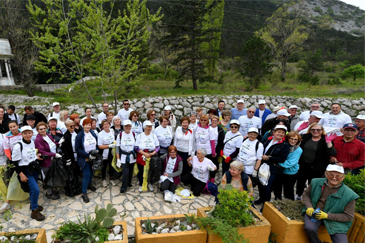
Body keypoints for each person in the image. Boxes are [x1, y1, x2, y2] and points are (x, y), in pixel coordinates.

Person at [302, 164, 359, 243]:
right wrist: (309, 207)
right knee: (309, 228)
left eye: (338, 176)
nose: (334, 178)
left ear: (343, 177)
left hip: (335, 220)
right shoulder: (315, 182)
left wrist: (326, 215)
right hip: (315, 213)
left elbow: (348, 216)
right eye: (331, 175)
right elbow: (306, 195)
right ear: (326, 174)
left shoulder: (350, 195)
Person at [295, 123, 337, 201]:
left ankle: (309, 198)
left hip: (317, 166)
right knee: (300, 181)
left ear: (322, 130)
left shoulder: (325, 140)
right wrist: (298, 129)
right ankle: (298, 195)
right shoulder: (306, 137)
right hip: (303, 164)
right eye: (313, 129)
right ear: (310, 130)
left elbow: (332, 153)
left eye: (318, 129)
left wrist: (328, 142)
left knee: (313, 184)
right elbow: (292, 138)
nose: (315, 131)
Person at [12, 126, 45, 221]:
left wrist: (36, 156)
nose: (27, 135)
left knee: (32, 189)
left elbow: (31, 154)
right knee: (35, 190)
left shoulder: (32, 143)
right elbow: (14, 163)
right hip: (25, 171)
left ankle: (33, 204)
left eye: (29, 133)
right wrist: (21, 174)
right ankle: (34, 211)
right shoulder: (18, 146)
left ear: (32, 133)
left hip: (33, 168)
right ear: (21, 134)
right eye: (25, 133)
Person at [255, 125, 290, 207]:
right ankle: (261, 198)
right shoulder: (268, 140)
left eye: (282, 132)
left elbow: (282, 158)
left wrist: (269, 158)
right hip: (263, 165)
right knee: (260, 183)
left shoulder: (285, 145)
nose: (280, 134)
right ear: (274, 132)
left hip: (273, 168)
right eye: (278, 132)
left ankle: (266, 204)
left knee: (267, 186)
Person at [34, 121, 62, 199]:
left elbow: (52, 143)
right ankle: (49, 193)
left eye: (44, 128)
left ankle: (53, 189)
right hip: (45, 161)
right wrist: (54, 154)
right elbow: (42, 151)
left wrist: (59, 143)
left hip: (52, 160)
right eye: (41, 129)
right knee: (47, 177)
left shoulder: (48, 136)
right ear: (38, 130)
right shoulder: (38, 140)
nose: (43, 130)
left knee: (52, 175)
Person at [0, 120, 22, 213]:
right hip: (14, 161)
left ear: (17, 126)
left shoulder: (23, 133)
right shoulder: (7, 137)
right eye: (11, 127)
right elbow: (7, 150)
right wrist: (12, 159)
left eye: (14, 126)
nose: (13, 128)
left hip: (24, 159)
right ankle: (8, 201)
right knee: (13, 180)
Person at [274, 131, 302, 200]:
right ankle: (277, 200)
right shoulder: (284, 145)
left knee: (288, 190)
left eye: (295, 139)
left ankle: (289, 203)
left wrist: (275, 160)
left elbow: (289, 163)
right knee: (277, 188)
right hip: (280, 170)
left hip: (290, 172)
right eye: (291, 139)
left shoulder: (298, 150)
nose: (293, 141)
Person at [75, 118, 99, 203]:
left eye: (89, 124)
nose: (88, 126)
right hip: (85, 158)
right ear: (83, 125)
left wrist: (96, 151)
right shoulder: (80, 135)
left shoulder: (92, 133)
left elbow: (96, 143)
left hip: (93, 157)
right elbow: (77, 149)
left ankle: (89, 185)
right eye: (86, 125)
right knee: (87, 174)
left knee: (91, 173)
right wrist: (88, 155)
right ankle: (84, 193)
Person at [134, 120, 160, 193]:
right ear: (144, 128)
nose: (149, 128)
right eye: (148, 127)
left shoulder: (153, 136)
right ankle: (141, 184)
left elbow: (158, 147)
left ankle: (149, 183)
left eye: (150, 127)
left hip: (151, 155)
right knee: (141, 170)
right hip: (142, 155)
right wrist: (144, 153)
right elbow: (136, 147)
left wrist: (152, 153)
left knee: (151, 170)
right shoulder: (140, 136)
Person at [116, 120, 136, 193]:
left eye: (129, 126)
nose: (128, 127)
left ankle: (129, 183)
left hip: (132, 156)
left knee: (131, 171)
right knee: (125, 172)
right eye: (126, 126)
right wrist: (118, 159)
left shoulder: (133, 134)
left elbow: (136, 146)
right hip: (124, 156)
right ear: (124, 127)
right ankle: (123, 186)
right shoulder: (120, 135)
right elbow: (117, 147)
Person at [98, 119, 117, 187]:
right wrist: (108, 146)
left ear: (110, 125)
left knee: (111, 164)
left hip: (111, 150)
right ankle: (104, 179)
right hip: (104, 150)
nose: (106, 125)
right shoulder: (100, 134)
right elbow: (99, 146)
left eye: (107, 124)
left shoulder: (112, 131)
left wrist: (114, 143)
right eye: (104, 124)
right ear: (102, 126)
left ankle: (111, 178)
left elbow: (114, 139)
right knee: (104, 165)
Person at [210, 115, 225, 181]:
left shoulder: (220, 130)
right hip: (207, 148)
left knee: (214, 163)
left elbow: (221, 141)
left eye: (215, 121)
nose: (214, 122)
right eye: (213, 121)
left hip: (216, 149)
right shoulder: (207, 128)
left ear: (218, 121)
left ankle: (212, 176)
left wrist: (217, 151)